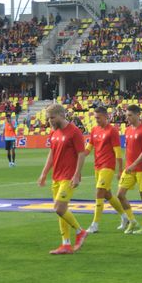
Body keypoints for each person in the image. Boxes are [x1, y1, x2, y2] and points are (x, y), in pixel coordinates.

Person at [37, 103, 89, 255]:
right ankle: (65, 244)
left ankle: (80, 232)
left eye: (52, 118)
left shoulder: (74, 132)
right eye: (48, 118)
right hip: (56, 176)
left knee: (59, 208)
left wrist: (77, 174)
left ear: (61, 115)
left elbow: (81, 154)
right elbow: (52, 154)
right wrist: (44, 173)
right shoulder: (54, 133)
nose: (50, 121)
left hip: (68, 176)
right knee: (61, 211)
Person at [85, 106, 136, 233]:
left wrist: (119, 170)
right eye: (95, 118)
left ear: (105, 116)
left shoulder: (112, 131)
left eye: (99, 118)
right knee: (107, 194)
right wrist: (78, 154)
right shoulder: (94, 130)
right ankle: (125, 216)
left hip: (107, 166)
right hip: (97, 166)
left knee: (99, 192)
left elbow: (118, 152)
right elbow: (89, 148)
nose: (96, 120)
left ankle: (95, 224)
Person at [117, 105, 142, 235]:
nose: (127, 117)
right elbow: (128, 150)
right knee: (120, 194)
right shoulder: (127, 130)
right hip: (129, 168)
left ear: (138, 115)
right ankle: (132, 221)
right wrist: (126, 166)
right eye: (127, 115)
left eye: (130, 115)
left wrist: (134, 164)